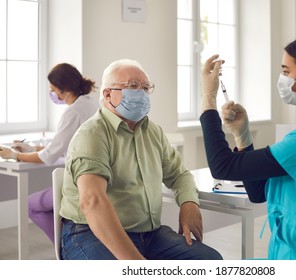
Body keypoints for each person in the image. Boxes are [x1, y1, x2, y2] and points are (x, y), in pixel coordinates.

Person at [199, 32, 296, 260]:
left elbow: (222, 167)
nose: (282, 80)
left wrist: (207, 99)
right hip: (294, 253)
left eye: (286, 72)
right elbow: (257, 192)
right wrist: (242, 135)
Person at [59, 58, 223, 260]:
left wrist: (189, 204)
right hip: (90, 233)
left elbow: (179, 175)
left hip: (149, 234)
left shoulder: (153, 131)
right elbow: (93, 202)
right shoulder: (92, 134)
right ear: (108, 93)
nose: (141, 93)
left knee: (210, 261)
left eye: (146, 88)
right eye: (132, 86)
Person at [0, 63, 99, 243]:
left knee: (31, 204)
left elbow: (49, 156)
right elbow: (65, 146)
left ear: (66, 90)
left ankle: (65, 248)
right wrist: (32, 149)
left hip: (82, 183)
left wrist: (13, 155)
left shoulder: (73, 112)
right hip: (97, 178)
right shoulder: (90, 103)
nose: (52, 94)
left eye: (53, 90)